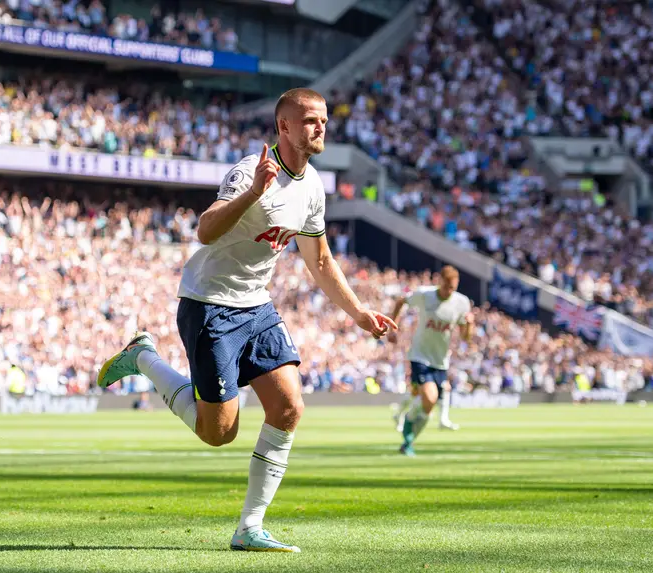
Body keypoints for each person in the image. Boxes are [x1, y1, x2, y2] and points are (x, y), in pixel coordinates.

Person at [96, 88, 397, 552]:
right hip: (209, 303)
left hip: (256, 305)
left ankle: (249, 527)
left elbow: (318, 260)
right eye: (312, 121)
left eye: (324, 122)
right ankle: (143, 358)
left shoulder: (313, 185)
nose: (321, 128)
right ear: (285, 127)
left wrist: (358, 312)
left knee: (290, 407)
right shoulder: (249, 172)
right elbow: (206, 229)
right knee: (218, 433)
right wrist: (255, 191)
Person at [388, 266, 473, 456]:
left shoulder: (461, 303)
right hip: (419, 355)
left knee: (428, 405)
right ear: (439, 281)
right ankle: (406, 429)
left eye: (452, 288)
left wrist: (470, 324)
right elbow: (401, 300)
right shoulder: (425, 295)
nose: (449, 292)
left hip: (440, 360)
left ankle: (408, 438)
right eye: (446, 287)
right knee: (430, 397)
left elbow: (466, 337)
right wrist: (393, 327)